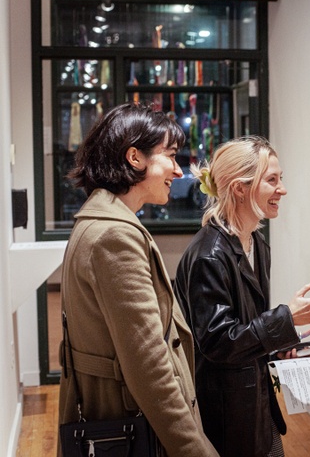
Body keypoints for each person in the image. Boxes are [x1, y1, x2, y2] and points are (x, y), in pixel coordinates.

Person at [58, 102, 219, 456]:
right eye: (171, 156)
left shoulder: (100, 221)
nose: (178, 171)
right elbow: (149, 368)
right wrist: (195, 450)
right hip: (134, 425)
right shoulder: (115, 236)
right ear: (135, 157)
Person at [173, 136, 310, 457]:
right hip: (226, 413)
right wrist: (286, 318)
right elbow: (218, 342)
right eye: (272, 180)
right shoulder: (209, 256)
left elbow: (247, 327)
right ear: (240, 188)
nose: (282, 190)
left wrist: (281, 347)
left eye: (281, 179)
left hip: (255, 404)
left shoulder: (257, 244)